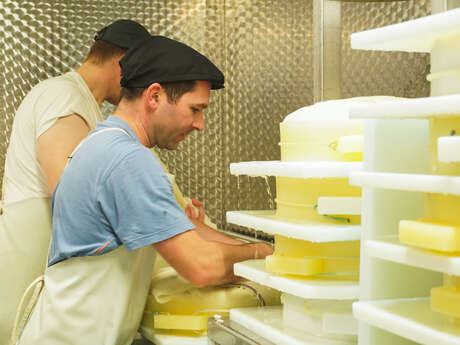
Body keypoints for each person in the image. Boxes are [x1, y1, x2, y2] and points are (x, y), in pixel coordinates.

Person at [16, 35, 273, 345]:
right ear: (154, 96)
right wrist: (264, 255)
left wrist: (262, 249)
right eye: (195, 109)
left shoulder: (105, 143)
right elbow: (202, 266)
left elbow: (186, 228)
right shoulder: (125, 158)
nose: (200, 124)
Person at [0, 19, 151, 344]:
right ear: (122, 61)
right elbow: (76, 198)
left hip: (41, 285)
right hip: (23, 291)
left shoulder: (86, 108)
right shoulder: (64, 97)